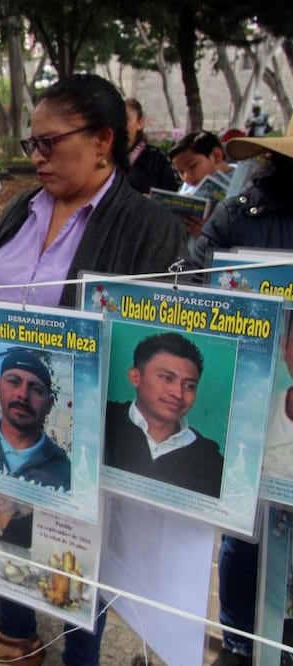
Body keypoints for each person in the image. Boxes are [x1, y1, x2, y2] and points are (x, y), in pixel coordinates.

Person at [0, 74, 186, 666]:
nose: (37, 159)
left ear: (103, 140)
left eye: (50, 144)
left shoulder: (148, 228)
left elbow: (152, 338)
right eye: (33, 145)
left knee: (76, 559)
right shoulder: (21, 211)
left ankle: (76, 656)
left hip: (82, 429)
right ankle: (14, 636)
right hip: (1, 409)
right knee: (5, 525)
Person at [187, 115, 293, 666]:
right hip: (255, 406)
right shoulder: (237, 214)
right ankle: (235, 644)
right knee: (246, 536)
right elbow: (194, 295)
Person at [104, 332, 224, 497]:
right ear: (135, 377)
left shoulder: (210, 460)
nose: (178, 393)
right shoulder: (104, 420)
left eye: (189, 385)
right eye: (167, 378)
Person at [0, 348, 69, 490]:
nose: (23, 395)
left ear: (49, 405)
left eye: (36, 390)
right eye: (14, 382)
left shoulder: (62, 469)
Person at [125, 97, 179, 195]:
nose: (119, 124)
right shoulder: (102, 157)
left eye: (126, 119)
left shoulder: (157, 158)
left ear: (140, 122)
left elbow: (172, 200)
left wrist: (151, 202)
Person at [168, 130, 232, 195]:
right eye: (181, 172)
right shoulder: (190, 185)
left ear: (216, 156)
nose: (186, 178)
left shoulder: (240, 184)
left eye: (192, 166)